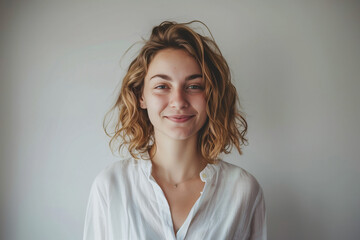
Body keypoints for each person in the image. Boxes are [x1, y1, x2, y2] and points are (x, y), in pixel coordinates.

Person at [83, 20, 266, 240]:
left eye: (194, 86)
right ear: (141, 96)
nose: (178, 101)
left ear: (211, 96)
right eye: (162, 86)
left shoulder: (243, 192)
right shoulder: (111, 186)